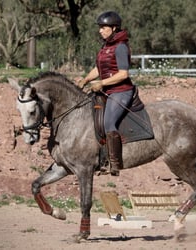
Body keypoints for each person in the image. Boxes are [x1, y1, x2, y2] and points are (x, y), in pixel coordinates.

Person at [78, 11, 134, 176]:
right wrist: (85, 80)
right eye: (100, 28)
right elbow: (99, 69)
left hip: (121, 91)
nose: (100, 31)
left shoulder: (121, 47)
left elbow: (124, 74)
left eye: (104, 27)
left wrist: (101, 83)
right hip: (108, 90)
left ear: (114, 28)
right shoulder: (106, 47)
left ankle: (114, 163)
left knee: (108, 122)